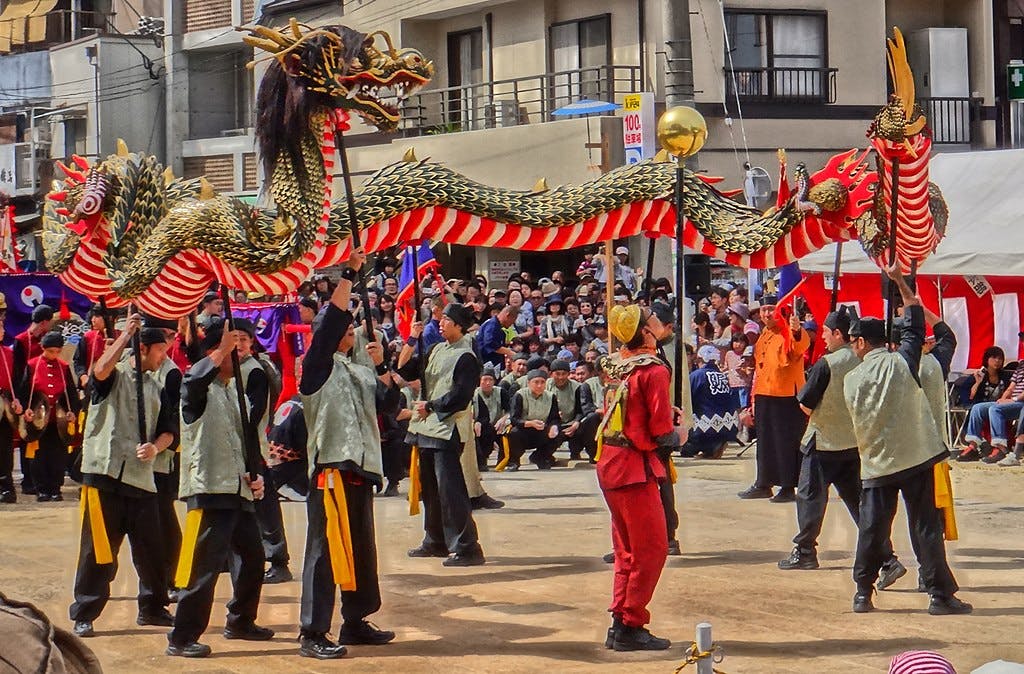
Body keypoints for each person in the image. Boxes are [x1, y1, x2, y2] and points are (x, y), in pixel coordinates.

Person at [844, 265, 971, 616]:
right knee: (925, 527)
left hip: (876, 463)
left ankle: (862, 592)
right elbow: (919, 320)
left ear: (858, 343)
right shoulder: (908, 362)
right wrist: (900, 281)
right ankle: (938, 595)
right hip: (918, 457)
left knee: (872, 530)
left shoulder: (851, 379)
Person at [297, 251, 398, 659]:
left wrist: (383, 366)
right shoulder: (316, 367)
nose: (352, 330)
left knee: (361, 549)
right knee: (324, 552)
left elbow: (388, 406)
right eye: (347, 327)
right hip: (331, 470)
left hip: (362, 469)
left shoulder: (358, 371)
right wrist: (350, 275)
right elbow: (329, 325)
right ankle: (312, 631)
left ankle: (355, 621)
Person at [776, 307, 906, 590]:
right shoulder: (865, 362)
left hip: (823, 441)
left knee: (810, 498)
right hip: (854, 443)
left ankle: (806, 551)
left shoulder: (827, 364)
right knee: (862, 507)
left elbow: (806, 403)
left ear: (838, 334)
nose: (822, 337)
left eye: (825, 331)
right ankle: (887, 558)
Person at [168, 321, 272, 658]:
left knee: (254, 558)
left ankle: (240, 620)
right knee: (203, 567)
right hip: (209, 488)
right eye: (231, 350)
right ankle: (182, 637)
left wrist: (255, 475)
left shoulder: (235, 392)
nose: (237, 356)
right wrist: (221, 350)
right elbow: (194, 381)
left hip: (238, 488)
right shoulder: (197, 389)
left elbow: (246, 440)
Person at [69, 320, 176, 638]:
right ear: (142, 349)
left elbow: (169, 430)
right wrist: (126, 336)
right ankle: (85, 612)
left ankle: (153, 608)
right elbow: (99, 370)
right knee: (98, 551)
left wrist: (154, 447)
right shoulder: (112, 375)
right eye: (159, 350)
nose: (162, 357)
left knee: (152, 550)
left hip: (141, 478)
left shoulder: (157, 386)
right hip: (104, 474)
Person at [598, 304, 681, 651]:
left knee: (626, 550)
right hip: (635, 466)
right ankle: (631, 621)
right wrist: (679, 434)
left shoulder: (614, 363)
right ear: (645, 333)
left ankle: (620, 619)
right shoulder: (653, 370)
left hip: (610, 461)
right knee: (651, 549)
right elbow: (660, 429)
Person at [400, 303, 486, 566]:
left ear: (459, 325)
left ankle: (467, 546)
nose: (441, 323)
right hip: (426, 427)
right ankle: (435, 539)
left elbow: (461, 396)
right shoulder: (437, 348)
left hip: (448, 427)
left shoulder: (467, 356)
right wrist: (412, 339)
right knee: (432, 489)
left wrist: (432, 405)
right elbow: (404, 371)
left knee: (451, 490)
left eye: (446, 319)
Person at [738, 301, 810, 502]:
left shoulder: (788, 331)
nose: (767, 313)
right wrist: (753, 399)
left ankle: (788, 487)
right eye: (764, 310)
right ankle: (763, 483)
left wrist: (796, 330)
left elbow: (800, 345)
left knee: (786, 443)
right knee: (765, 443)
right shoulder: (764, 334)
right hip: (764, 393)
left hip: (786, 396)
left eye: (771, 308)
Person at [20, 331, 80, 502]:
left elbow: (71, 393)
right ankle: (41, 489)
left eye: (57, 351)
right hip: (39, 419)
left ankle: (55, 488)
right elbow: (24, 391)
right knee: (40, 455)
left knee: (57, 455)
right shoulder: (32, 365)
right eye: (50, 351)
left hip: (58, 419)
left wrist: (72, 411)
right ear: (43, 348)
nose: (53, 355)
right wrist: (26, 409)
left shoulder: (63, 367)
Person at [681, 345, 737, 459]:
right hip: (729, 426)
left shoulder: (697, 375)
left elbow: (686, 400)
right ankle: (715, 443)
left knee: (686, 450)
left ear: (699, 359)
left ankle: (709, 445)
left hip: (705, 428)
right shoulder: (722, 376)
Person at [506, 370, 560, 470]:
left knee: (558, 433)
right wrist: (530, 423)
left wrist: (554, 426)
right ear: (529, 383)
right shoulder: (520, 395)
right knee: (513, 433)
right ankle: (514, 461)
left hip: (541, 429)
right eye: (536, 382)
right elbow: (514, 418)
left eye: (542, 382)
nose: (539, 385)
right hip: (524, 429)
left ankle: (540, 457)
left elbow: (555, 418)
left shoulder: (551, 396)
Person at [547, 359, 598, 462]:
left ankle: (584, 453)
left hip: (572, 422)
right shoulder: (546, 386)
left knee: (586, 427)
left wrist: (576, 422)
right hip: (552, 423)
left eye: (564, 374)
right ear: (551, 374)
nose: (561, 377)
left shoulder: (577, 387)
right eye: (557, 374)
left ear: (569, 374)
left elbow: (581, 409)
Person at [0, 318, 22, 504]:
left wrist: (18, 401)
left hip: (5, 405)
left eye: (1, 327)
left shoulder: (8, 353)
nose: (1, 331)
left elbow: (16, 381)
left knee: (5, 448)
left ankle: (6, 486)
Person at [474, 365, 510, 470]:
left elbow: (510, 410)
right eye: (485, 380)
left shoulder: (501, 392)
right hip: (481, 425)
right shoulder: (474, 394)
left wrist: (503, 420)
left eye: (491, 380)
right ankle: (481, 460)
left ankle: (505, 460)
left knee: (509, 432)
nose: (488, 383)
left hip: (498, 425)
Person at [477, 303, 518, 371]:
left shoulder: (497, 326)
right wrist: (509, 352)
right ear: (508, 315)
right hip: (486, 362)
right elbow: (490, 343)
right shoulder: (492, 325)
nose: (511, 324)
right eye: (513, 320)